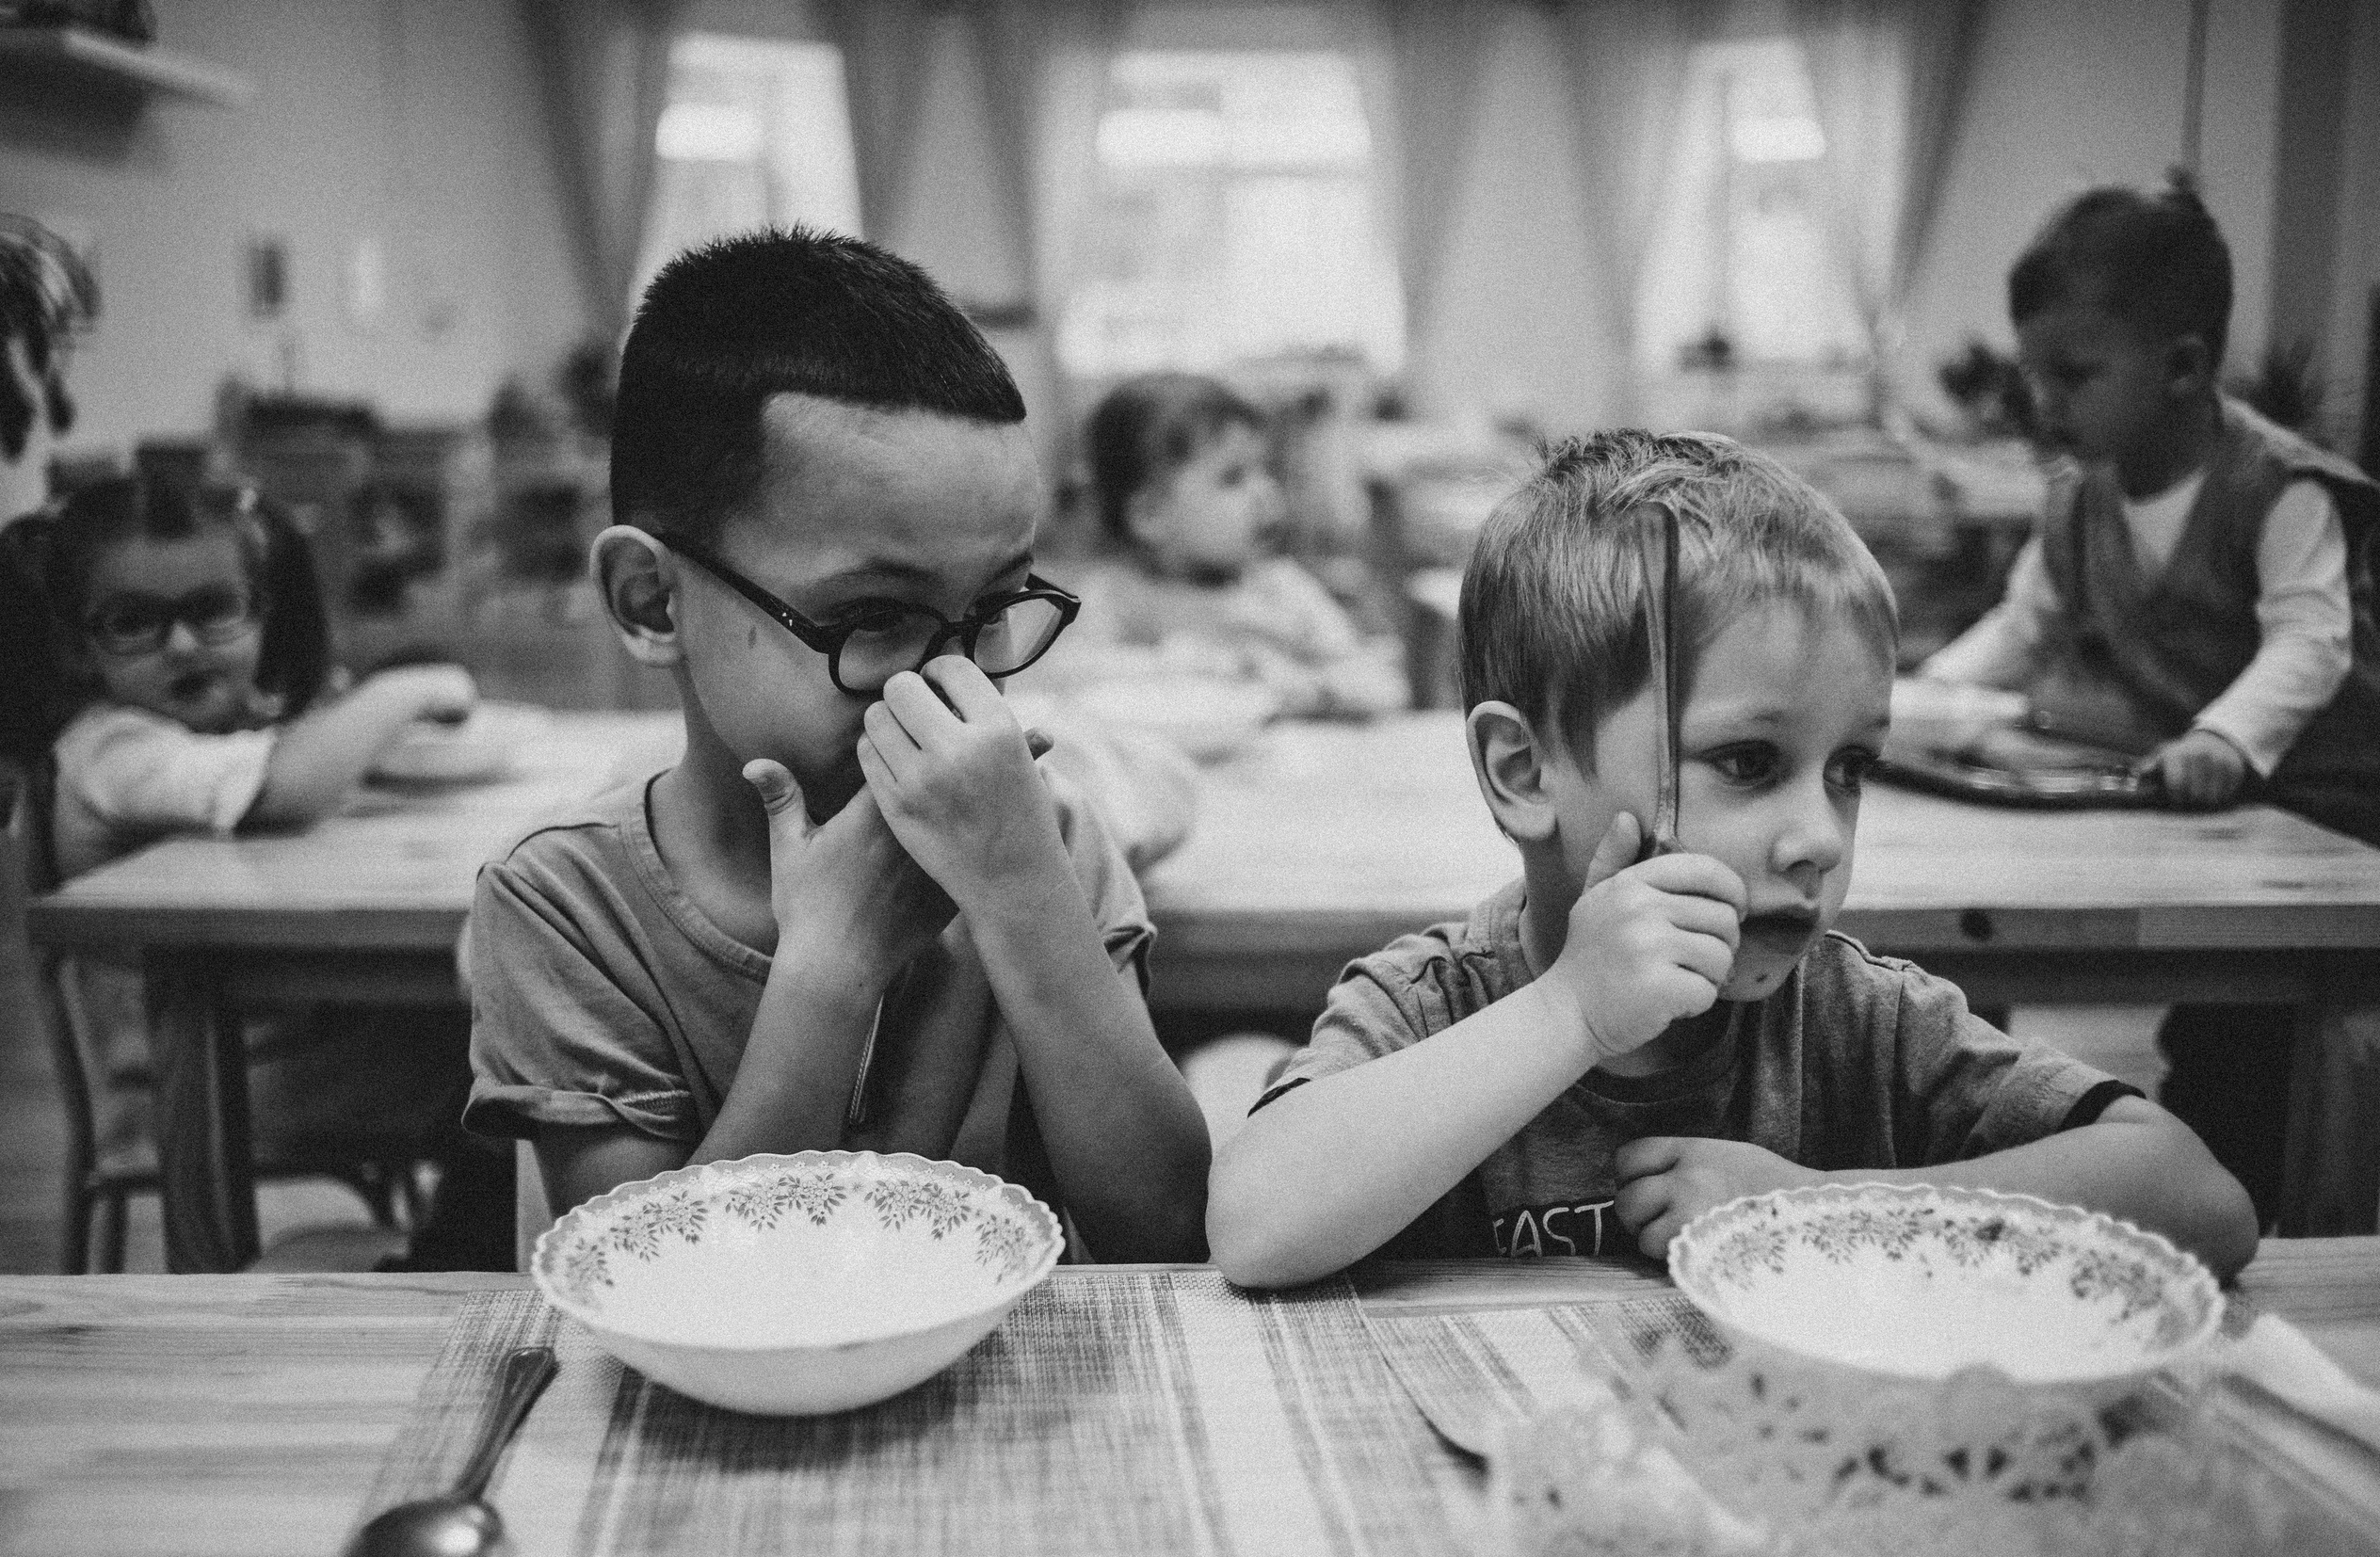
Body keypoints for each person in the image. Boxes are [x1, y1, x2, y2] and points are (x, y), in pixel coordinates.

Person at [1206, 429, 2259, 1290]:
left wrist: (1822, 1207)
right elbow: (1254, 1223)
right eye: (1748, 762)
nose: (1820, 836)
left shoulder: (1854, 1019)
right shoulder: (1432, 1007)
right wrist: (1569, 1011)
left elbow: (2195, 1197)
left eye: (1849, 767)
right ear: (1524, 774)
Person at [459, 228, 1211, 1262]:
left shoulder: (1040, 835)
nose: (957, 690)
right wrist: (830, 971)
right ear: (651, 601)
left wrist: (1026, 899)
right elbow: (659, 1288)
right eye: (874, 617)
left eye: (994, 610)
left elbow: (1164, 1233)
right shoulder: (568, 905)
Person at [1917, 179, 2380, 1224]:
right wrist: (1922, 694)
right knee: (2205, 1033)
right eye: (2035, 373)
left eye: (2073, 374)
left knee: (2260, 1039)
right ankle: (2194, 1183)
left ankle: (2274, 1215)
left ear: (2183, 366)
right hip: (2202, 820)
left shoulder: (2278, 487)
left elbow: (2311, 639)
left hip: (2322, 814)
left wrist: (2226, 733)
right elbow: (2025, 622)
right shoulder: (2080, 496)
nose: (2045, 401)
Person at [0, 469, 511, 1269]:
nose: (183, 645)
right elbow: (287, 787)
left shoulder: (187, 733)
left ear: (260, 612)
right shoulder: (112, 748)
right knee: (499, 1054)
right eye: (134, 624)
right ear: (80, 647)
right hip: (188, 1080)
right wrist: (412, 686)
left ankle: (460, 1247)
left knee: (488, 1037)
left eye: (211, 610)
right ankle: (459, 1262)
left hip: (258, 1041)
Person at [1056, 372, 1408, 719]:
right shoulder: (1116, 597)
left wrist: (1310, 689)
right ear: (1150, 514)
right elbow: (1074, 685)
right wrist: (1191, 664)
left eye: (1264, 470)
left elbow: (1383, 687)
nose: (1265, 493)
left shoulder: (1280, 590)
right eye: (1233, 477)